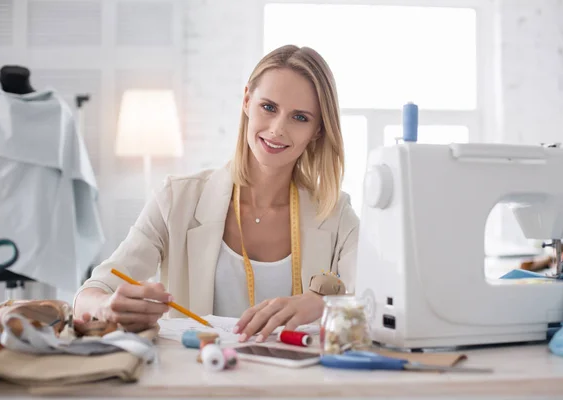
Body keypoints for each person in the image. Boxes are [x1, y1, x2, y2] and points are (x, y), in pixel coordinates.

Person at [73, 45, 359, 343]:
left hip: (296, 387)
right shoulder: (176, 199)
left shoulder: (337, 215)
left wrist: (323, 301)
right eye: (269, 107)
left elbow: (377, 303)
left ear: (317, 131)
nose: (277, 130)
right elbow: (90, 293)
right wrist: (106, 307)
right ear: (247, 100)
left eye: (299, 117)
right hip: (202, 381)